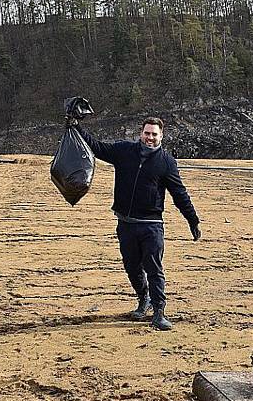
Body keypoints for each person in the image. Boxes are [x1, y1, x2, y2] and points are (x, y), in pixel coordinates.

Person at [73, 116, 201, 331]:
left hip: (151, 225)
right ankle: (144, 298)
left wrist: (192, 220)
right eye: (147, 133)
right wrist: (76, 128)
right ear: (140, 133)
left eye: (154, 134)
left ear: (161, 136)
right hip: (125, 223)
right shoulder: (124, 151)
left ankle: (159, 312)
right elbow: (96, 147)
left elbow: (180, 194)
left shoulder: (166, 162)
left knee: (154, 269)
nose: (150, 137)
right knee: (132, 267)